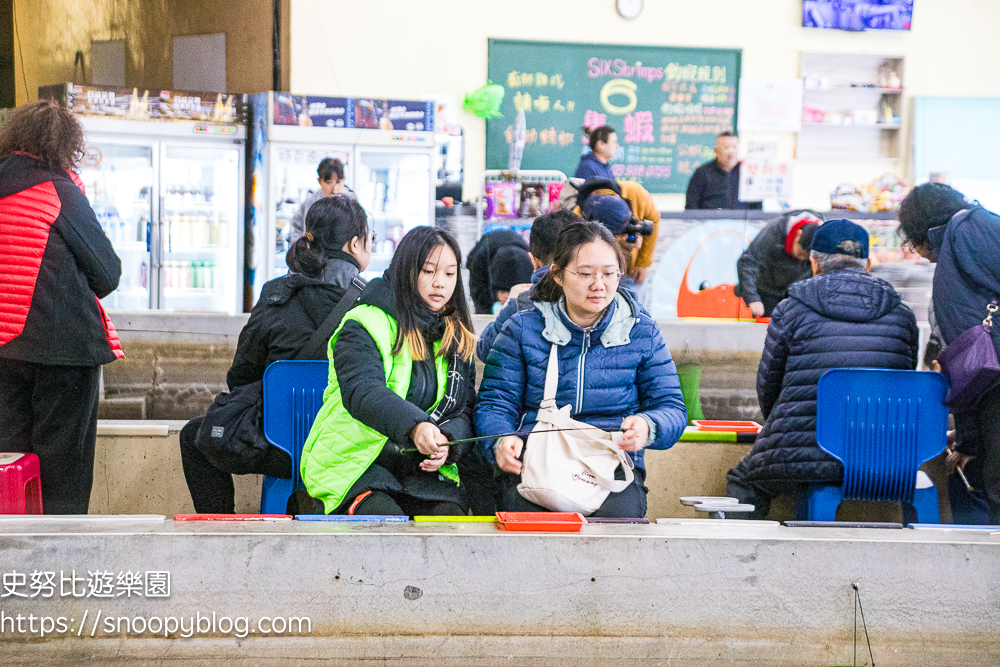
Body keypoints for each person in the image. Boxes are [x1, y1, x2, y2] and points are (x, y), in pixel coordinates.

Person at [476, 221, 688, 517]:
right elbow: (495, 402)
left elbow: (672, 406)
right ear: (558, 274)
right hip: (535, 460)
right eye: (586, 274)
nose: (599, 285)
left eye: (609, 274)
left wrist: (648, 426)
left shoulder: (642, 331)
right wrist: (501, 440)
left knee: (619, 525)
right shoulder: (523, 327)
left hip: (611, 465)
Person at [179, 196, 372, 513]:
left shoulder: (276, 294)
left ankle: (220, 538)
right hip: (347, 451)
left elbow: (241, 376)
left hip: (278, 447)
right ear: (354, 245)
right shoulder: (371, 304)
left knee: (193, 437)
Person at [726, 219, 919, 519]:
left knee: (745, 480)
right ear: (867, 264)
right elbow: (903, 382)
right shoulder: (902, 314)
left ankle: (744, 563)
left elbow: (768, 385)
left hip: (804, 449)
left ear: (814, 263)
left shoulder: (792, 308)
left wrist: (784, 429)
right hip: (884, 452)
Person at [300, 226, 478, 516]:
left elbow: (465, 407)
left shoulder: (455, 335)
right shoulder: (364, 322)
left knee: (449, 524)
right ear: (406, 271)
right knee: (384, 523)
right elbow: (363, 392)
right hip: (355, 462)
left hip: (420, 470)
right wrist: (416, 427)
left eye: (449, 274)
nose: (440, 284)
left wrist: (448, 441)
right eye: (428, 271)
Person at [0, 100, 123, 514]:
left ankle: (12, 564)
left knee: (9, 463)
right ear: (63, 146)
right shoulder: (59, 191)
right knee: (64, 470)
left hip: (4, 350)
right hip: (64, 350)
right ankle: (60, 566)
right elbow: (107, 272)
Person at [897, 183, 1000, 523]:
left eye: (913, 242)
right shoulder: (982, 227)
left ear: (923, 230)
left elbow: (970, 367)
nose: (919, 253)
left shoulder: (964, 240)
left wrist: (969, 444)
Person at [477, 210, 580, 362]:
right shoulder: (601, 298)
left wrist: (509, 305)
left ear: (533, 261)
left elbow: (485, 349)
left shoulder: (521, 304)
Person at [575, 179, 661, 292]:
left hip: (632, 274)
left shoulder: (637, 194)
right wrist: (618, 245)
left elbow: (653, 221)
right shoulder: (579, 217)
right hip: (599, 275)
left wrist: (643, 263)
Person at [736, 210, 823, 318]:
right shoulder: (774, 230)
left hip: (796, 295)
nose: (800, 258)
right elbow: (748, 262)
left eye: (806, 258)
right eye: (800, 253)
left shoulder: (824, 238)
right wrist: (752, 298)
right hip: (766, 292)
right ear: (798, 235)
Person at [684, 131, 762, 210]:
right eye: (727, 147)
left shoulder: (748, 172)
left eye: (734, 147)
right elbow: (691, 206)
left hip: (741, 221)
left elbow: (757, 207)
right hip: (709, 220)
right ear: (716, 151)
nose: (731, 152)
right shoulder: (702, 173)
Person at [466, 229, 530, 314]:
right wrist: (494, 295)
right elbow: (476, 291)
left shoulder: (530, 260)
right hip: (486, 255)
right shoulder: (479, 259)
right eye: (504, 291)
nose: (508, 295)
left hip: (518, 257)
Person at [290, 157, 350, 243]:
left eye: (339, 182)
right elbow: (297, 233)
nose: (335, 188)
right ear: (320, 181)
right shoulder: (310, 204)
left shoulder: (351, 204)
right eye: (329, 182)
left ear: (344, 180)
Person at [488, 245, 533, 309]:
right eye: (505, 290)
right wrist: (495, 295)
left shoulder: (531, 262)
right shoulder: (481, 261)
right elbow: (478, 289)